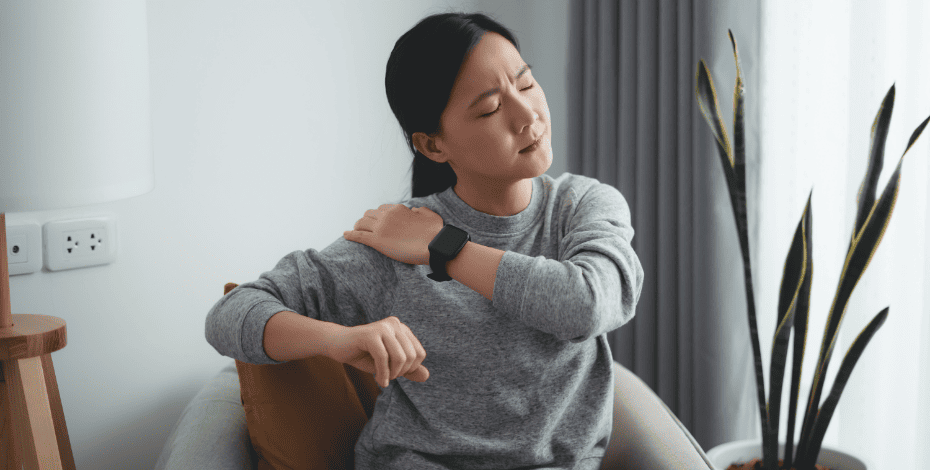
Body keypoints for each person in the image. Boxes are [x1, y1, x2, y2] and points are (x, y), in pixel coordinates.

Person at [205, 10, 644, 470]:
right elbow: (229, 316)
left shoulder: (583, 206)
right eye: (491, 108)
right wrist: (337, 340)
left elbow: (589, 304)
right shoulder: (393, 242)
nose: (526, 115)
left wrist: (447, 249)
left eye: (527, 83)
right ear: (434, 146)